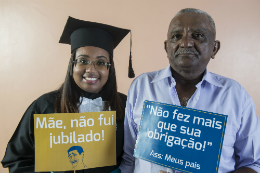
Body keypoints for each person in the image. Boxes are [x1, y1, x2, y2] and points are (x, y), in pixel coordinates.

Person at [119, 8, 260, 173]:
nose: (185, 43)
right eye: (176, 36)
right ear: (167, 47)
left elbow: (253, 163)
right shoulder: (142, 86)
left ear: (214, 48)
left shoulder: (235, 95)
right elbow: (129, 158)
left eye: (198, 35)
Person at [1, 16, 133, 173]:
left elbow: (135, 156)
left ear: (109, 69)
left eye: (101, 62)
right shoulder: (44, 106)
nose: (91, 70)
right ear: (72, 65)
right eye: (83, 61)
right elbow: (18, 159)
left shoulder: (126, 106)